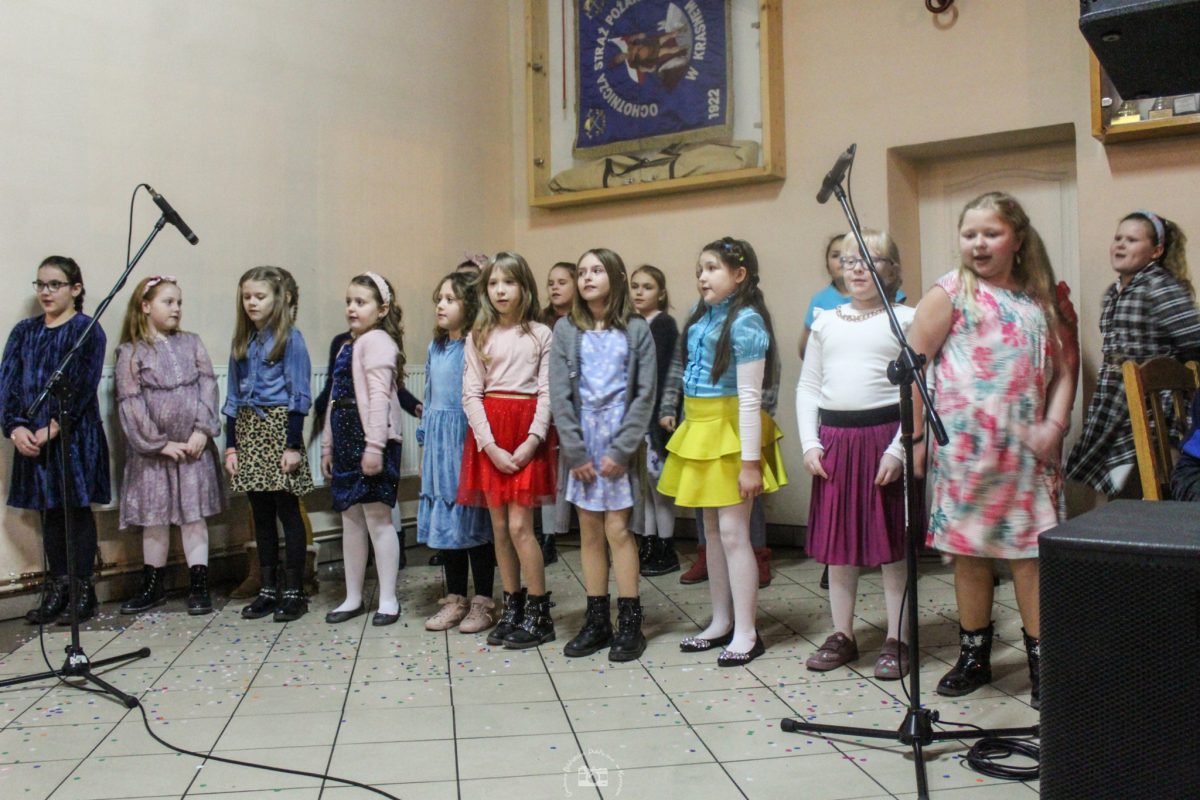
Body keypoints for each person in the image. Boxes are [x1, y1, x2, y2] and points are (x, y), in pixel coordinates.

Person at [908, 191, 1077, 709]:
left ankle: (1044, 663)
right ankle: (974, 656)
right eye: (969, 234)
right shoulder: (950, 292)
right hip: (966, 455)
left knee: (1031, 558)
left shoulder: (1042, 298)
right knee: (970, 557)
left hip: (1027, 457)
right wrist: (914, 439)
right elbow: (912, 368)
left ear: (1017, 239)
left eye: (991, 233)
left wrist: (1055, 424)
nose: (978, 244)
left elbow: (1067, 369)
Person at [659, 237, 787, 666]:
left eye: (713, 268)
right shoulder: (701, 318)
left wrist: (750, 464)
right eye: (700, 269)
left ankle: (747, 632)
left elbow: (750, 400)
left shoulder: (747, 322)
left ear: (739, 275)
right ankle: (721, 620)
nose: (703, 276)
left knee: (734, 534)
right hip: (702, 429)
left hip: (732, 433)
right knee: (711, 533)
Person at [796, 231, 919, 679]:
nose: (858, 268)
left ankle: (897, 638)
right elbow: (809, 386)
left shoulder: (906, 319)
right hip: (836, 442)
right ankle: (842, 633)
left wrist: (898, 449)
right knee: (839, 547)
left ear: (893, 268)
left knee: (891, 547)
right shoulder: (826, 321)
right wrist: (810, 442)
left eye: (871, 259)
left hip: (884, 439)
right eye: (849, 261)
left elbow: (919, 392)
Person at [551, 248, 657, 661]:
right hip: (582, 442)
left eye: (597, 270)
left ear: (616, 275)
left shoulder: (636, 328)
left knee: (618, 530)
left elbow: (645, 393)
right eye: (582, 272)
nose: (587, 278)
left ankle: (630, 623)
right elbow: (560, 394)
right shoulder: (566, 328)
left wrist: (623, 448)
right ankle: (597, 621)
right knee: (590, 531)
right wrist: (575, 451)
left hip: (619, 441)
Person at [2, 256, 110, 624]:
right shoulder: (24, 332)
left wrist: (54, 427)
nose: (45, 292)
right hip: (31, 436)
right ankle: (58, 588)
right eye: (40, 284)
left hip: (72, 435)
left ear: (75, 289)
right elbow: (8, 384)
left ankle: (83, 591)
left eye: (54, 285)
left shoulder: (86, 330)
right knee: (48, 512)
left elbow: (82, 386)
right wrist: (16, 427)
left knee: (74, 511)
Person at [458, 252, 557, 649]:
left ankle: (539, 611)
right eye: (493, 283)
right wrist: (490, 445)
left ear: (524, 287)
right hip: (491, 436)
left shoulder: (541, 334)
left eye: (509, 282)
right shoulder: (478, 335)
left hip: (526, 432)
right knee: (499, 527)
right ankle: (512, 605)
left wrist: (533, 440)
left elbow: (547, 392)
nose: (500, 290)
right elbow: (471, 394)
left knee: (520, 526)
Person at [1065, 210, 1200, 497]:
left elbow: (1194, 339)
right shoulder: (1114, 292)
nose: (1121, 245)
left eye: (1132, 240)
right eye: (1118, 238)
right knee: (1114, 480)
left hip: (1155, 406)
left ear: (1156, 251)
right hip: (1116, 398)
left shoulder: (1159, 286)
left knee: (1155, 476)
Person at [115, 276, 226, 616]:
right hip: (153, 455)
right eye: (168, 302)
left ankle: (199, 585)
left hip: (192, 450)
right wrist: (158, 444)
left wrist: (202, 431)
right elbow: (131, 402)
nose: (176, 308)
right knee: (155, 519)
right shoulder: (131, 352)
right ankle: (153, 586)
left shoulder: (192, 343)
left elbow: (208, 386)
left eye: (179, 302)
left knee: (193, 518)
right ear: (146, 306)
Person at [224, 266, 315, 622]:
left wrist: (292, 445)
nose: (252, 302)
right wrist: (231, 446)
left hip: (279, 429)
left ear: (278, 299)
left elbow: (299, 395)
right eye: (247, 296)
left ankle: (294, 591)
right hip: (249, 431)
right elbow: (233, 398)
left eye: (260, 296)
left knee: (286, 510)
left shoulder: (290, 339)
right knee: (259, 512)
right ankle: (267, 587)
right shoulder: (242, 341)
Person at [320, 273, 406, 626]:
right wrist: (327, 445)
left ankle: (388, 598)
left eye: (361, 302)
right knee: (351, 519)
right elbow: (335, 398)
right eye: (349, 302)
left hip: (371, 441)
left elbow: (379, 399)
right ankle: (353, 596)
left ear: (382, 309)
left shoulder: (379, 342)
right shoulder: (347, 345)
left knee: (377, 518)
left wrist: (374, 446)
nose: (352, 308)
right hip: (345, 441)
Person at [418, 272, 496, 633]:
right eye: (440, 298)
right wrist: (424, 443)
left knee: (472, 522)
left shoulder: (475, 345)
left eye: (450, 299)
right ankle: (455, 598)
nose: (441, 305)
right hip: (439, 444)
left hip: (465, 441)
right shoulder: (435, 347)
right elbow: (429, 394)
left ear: (470, 305)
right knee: (448, 523)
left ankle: (483, 601)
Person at [630, 264, 680, 576]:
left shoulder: (664, 324)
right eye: (635, 286)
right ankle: (648, 541)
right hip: (636, 415)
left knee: (661, 485)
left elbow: (661, 373)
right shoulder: (631, 322)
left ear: (661, 293)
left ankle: (666, 545)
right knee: (645, 486)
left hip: (655, 415)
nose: (639, 292)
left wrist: (662, 411)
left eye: (647, 287)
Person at [538, 261, 578, 565]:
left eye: (562, 282)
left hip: (576, 404)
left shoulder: (583, 322)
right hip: (546, 404)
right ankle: (548, 536)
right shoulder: (540, 323)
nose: (554, 287)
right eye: (551, 283)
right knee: (549, 472)